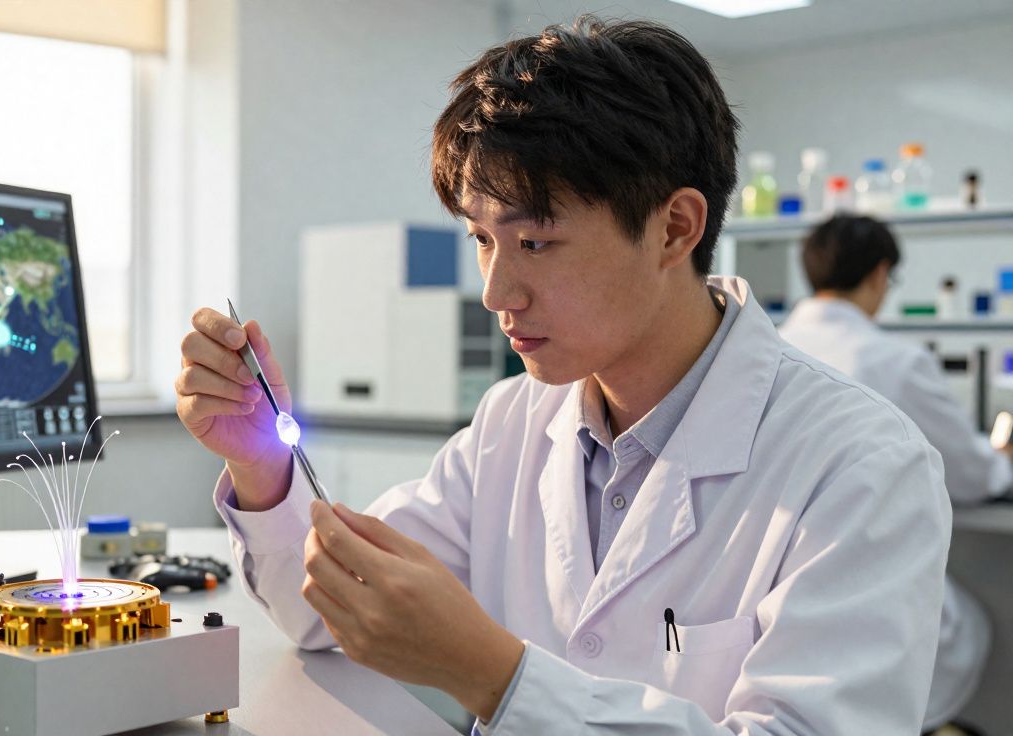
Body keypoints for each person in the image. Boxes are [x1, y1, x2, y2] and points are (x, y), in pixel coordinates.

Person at [176, 18, 950, 734]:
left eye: (537, 242)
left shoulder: (862, 466)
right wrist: (262, 463)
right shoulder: (512, 422)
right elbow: (329, 617)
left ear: (675, 227)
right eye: (483, 238)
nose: (495, 292)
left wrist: (493, 676)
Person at [780, 214, 1008, 732]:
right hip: (857, 589)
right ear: (881, 274)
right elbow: (970, 475)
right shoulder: (894, 361)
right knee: (968, 626)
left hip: (772, 587)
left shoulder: (769, 348)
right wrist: (1001, 462)